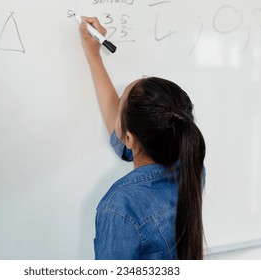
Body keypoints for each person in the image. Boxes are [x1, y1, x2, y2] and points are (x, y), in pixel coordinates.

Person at [78, 17, 206, 260]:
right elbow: (126, 128)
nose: (116, 105)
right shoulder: (192, 168)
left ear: (129, 138)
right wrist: (93, 55)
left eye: (121, 101)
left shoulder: (120, 207)